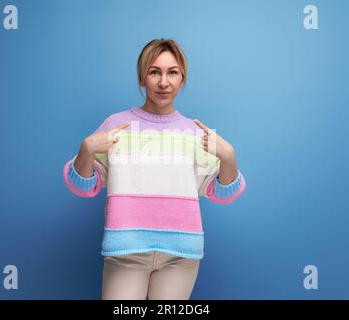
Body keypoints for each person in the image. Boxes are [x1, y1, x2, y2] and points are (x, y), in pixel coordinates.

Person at [63, 38, 246, 299]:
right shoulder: (117, 125)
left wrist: (229, 157)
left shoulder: (196, 133)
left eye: (172, 72)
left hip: (181, 256)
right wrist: (86, 149)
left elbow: (223, 193)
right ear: (141, 78)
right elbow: (83, 186)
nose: (163, 82)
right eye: (154, 72)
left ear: (182, 78)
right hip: (126, 252)